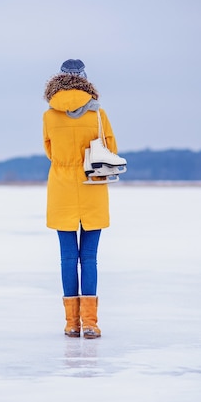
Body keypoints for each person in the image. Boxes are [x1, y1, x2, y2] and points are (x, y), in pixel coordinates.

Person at [42, 59, 120, 339]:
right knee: (89, 258)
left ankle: (70, 323)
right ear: (85, 80)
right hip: (92, 187)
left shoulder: (50, 115)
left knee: (67, 258)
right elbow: (111, 148)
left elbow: (50, 151)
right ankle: (90, 323)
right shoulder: (98, 114)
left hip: (62, 189)